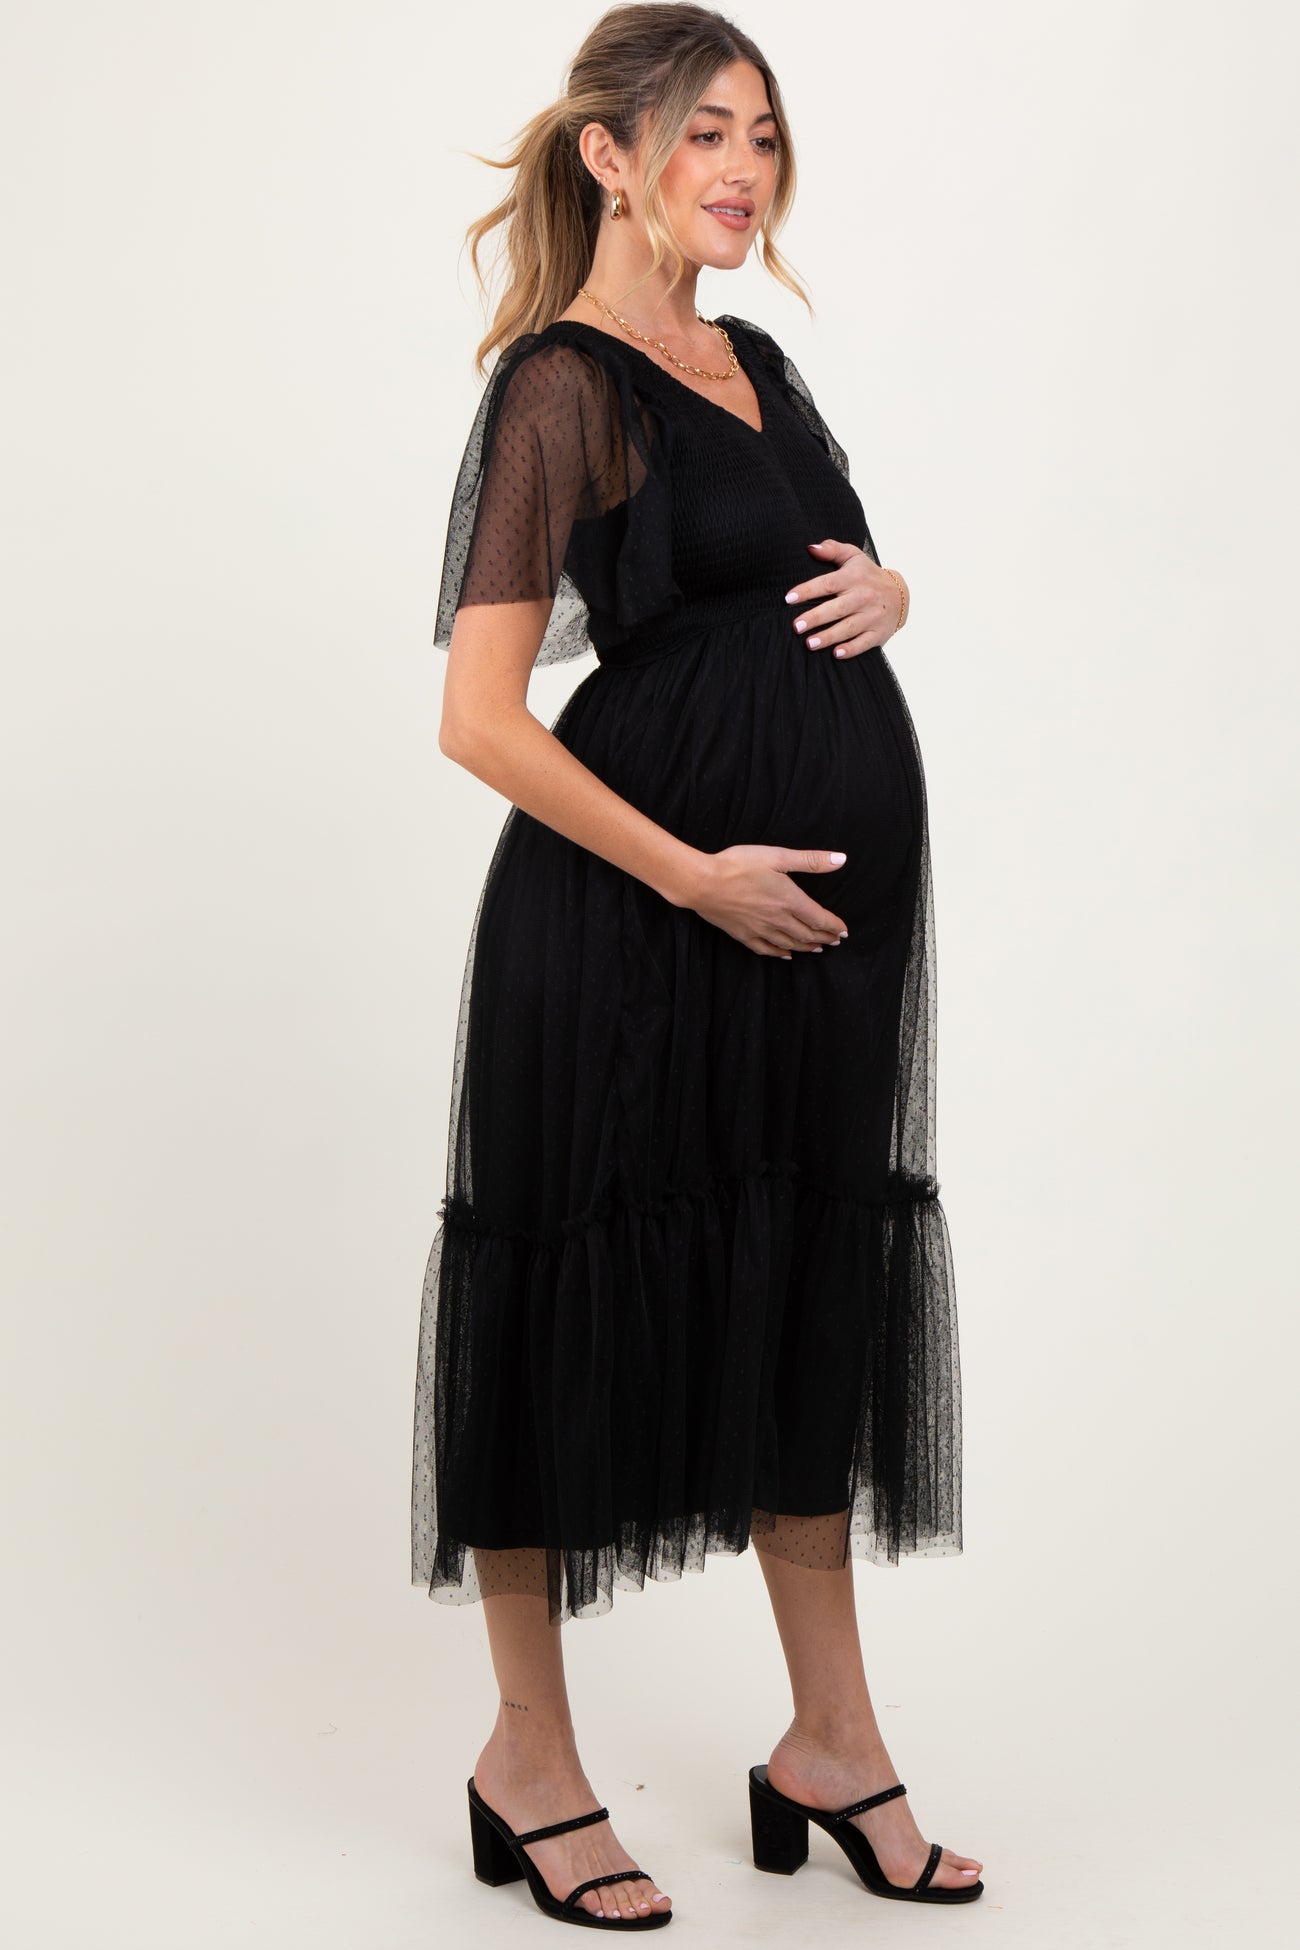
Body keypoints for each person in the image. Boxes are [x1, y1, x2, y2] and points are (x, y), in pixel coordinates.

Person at [411, 2, 983, 1927]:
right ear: (611, 154)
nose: (746, 169)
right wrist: (693, 878)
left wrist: (896, 588)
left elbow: (821, 575)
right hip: (633, 925)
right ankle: (529, 1758)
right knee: (563, 1296)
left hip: (808, 945)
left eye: (765, 135)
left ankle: (833, 1740)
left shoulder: (760, 363)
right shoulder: (557, 387)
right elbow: (481, 718)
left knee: (805, 1282)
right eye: (709, 133)